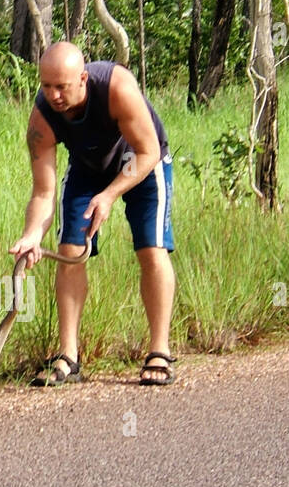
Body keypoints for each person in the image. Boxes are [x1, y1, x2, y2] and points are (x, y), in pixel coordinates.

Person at [9, 41, 177, 386]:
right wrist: (31, 236)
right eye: (46, 86)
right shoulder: (41, 118)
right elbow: (43, 191)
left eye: (62, 86)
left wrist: (111, 195)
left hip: (142, 162)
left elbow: (147, 152)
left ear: (83, 78)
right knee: (70, 252)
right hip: (88, 167)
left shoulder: (117, 87)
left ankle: (159, 350)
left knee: (151, 248)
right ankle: (69, 356)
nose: (53, 95)